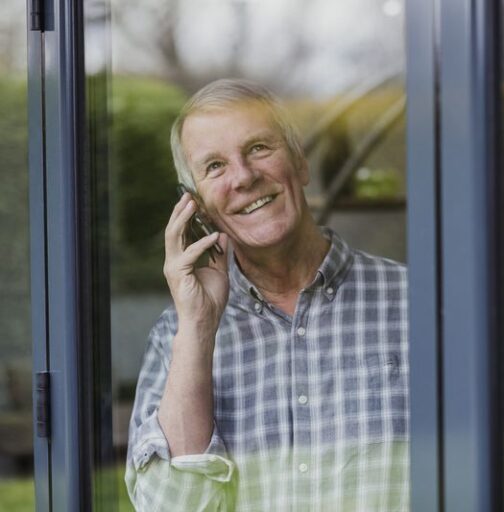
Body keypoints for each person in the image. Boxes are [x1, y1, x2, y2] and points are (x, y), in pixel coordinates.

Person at [125, 79, 409, 511]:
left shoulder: (415, 302)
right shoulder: (177, 336)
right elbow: (173, 507)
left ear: (300, 163)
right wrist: (199, 330)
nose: (244, 177)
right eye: (215, 166)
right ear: (196, 205)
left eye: (258, 148)